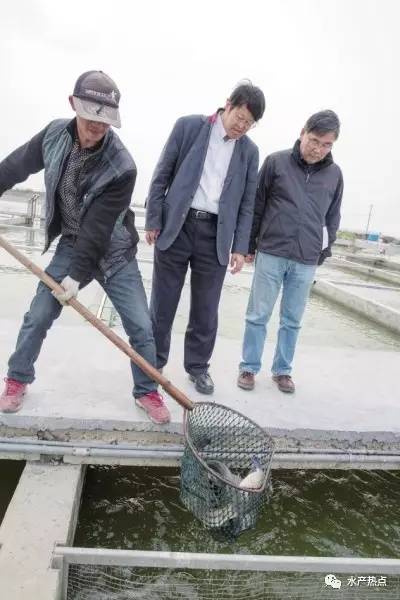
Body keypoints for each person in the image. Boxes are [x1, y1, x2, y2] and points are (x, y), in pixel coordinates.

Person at [0, 70, 170, 424]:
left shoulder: (123, 167)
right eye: (92, 117)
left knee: (140, 324)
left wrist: (76, 277)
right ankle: (17, 379)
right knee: (39, 313)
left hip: (115, 252)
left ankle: (148, 390)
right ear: (73, 105)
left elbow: (99, 228)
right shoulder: (52, 136)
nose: (98, 127)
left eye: (106, 121)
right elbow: (14, 167)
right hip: (72, 242)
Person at [145, 82, 265, 395]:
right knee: (162, 303)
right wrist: (154, 219)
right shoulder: (188, 127)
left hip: (216, 235)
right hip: (178, 226)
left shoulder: (249, 152)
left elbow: (247, 203)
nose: (242, 126)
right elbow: (162, 174)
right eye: (239, 117)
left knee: (206, 309)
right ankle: (154, 364)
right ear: (227, 104)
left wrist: (241, 246)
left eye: (249, 123)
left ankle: (198, 368)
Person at [238, 110, 343, 394]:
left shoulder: (334, 174)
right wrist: (249, 245)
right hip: (272, 251)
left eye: (327, 144)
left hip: (306, 258)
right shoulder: (276, 162)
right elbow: (256, 205)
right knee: (258, 314)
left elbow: (332, 216)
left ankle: (282, 371)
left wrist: (325, 248)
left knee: (292, 320)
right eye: (315, 140)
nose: (319, 149)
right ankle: (248, 366)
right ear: (302, 132)